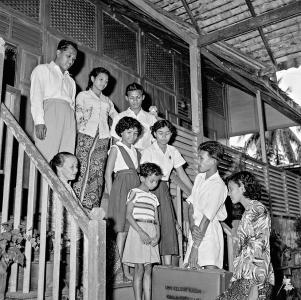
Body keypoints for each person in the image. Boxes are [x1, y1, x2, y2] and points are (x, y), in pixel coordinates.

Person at [141, 119, 193, 265]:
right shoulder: (148, 151)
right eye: (160, 133)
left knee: (168, 225)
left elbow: (181, 174)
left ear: (171, 134)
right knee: (153, 224)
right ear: (154, 134)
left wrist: (194, 191)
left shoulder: (173, 151)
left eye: (167, 133)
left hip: (164, 189)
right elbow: (144, 175)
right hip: (150, 188)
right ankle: (150, 263)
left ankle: (168, 265)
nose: (164, 136)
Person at [217, 171, 274, 300]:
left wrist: (255, 290)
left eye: (231, 189)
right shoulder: (248, 211)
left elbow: (260, 250)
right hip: (244, 278)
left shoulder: (257, 209)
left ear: (242, 187)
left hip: (253, 281)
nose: (228, 193)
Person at [73, 67, 118, 210]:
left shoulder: (107, 101)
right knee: (80, 167)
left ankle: (90, 206)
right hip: (85, 135)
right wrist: (75, 133)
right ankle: (74, 201)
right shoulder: (83, 95)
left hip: (103, 138)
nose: (104, 83)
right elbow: (77, 116)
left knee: (98, 172)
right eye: (101, 79)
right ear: (92, 79)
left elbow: (117, 118)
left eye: (106, 81)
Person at [105, 116, 143, 279]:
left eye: (135, 133)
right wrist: (112, 195)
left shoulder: (136, 151)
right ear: (121, 132)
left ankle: (126, 269)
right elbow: (108, 174)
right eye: (129, 132)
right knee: (121, 231)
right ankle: (118, 269)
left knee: (129, 231)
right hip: (120, 189)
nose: (132, 136)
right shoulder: (116, 148)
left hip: (134, 189)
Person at [30, 40, 78, 161]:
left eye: (73, 59)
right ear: (58, 52)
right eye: (68, 56)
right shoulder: (42, 70)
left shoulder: (71, 82)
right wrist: (39, 121)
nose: (71, 61)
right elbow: (36, 97)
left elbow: (72, 105)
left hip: (68, 119)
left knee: (65, 159)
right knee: (46, 155)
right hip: (50, 115)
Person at [183, 141, 227, 269]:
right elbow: (191, 203)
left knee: (209, 275)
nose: (198, 161)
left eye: (201, 158)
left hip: (209, 234)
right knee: (192, 277)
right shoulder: (199, 178)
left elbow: (207, 218)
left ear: (213, 160)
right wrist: (191, 225)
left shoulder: (218, 185)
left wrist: (195, 248)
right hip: (196, 231)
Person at [123, 163, 162, 300]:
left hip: (151, 231)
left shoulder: (154, 198)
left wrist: (157, 235)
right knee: (139, 268)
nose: (155, 184)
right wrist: (140, 232)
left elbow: (156, 219)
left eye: (157, 181)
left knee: (148, 269)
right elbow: (128, 215)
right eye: (152, 181)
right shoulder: (134, 192)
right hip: (138, 231)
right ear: (142, 178)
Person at [110, 82, 157, 151]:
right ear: (126, 98)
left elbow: (155, 142)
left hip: (145, 158)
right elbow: (115, 142)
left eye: (138, 97)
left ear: (143, 97)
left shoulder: (151, 118)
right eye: (132, 97)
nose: (135, 100)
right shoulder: (119, 117)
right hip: (126, 157)